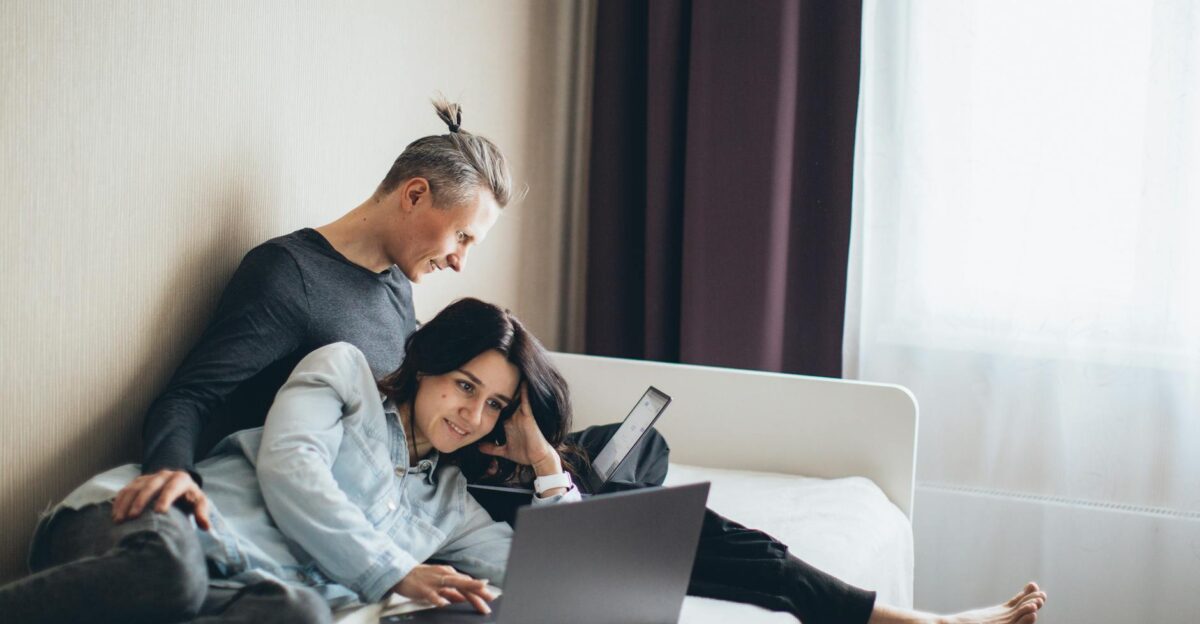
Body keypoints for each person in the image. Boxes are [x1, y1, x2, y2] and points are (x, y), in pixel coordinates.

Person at [12, 97, 1046, 624]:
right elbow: (201, 395)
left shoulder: (392, 293)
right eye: (459, 238)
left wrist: (535, 454)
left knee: (655, 518)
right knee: (628, 520)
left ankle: (876, 614)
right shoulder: (296, 285)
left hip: (428, 485)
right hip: (306, 494)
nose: (459, 260)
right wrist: (178, 464)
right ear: (414, 195)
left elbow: (422, 422)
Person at [0, 299, 582, 622]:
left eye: (495, 405)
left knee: (299, 615)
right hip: (158, 522)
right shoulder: (344, 372)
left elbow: (555, 579)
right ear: (429, 364)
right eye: (465, 385)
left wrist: (546, 464)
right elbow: (291, 468)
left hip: (235, 591)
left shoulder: (450, 505)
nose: (473, 414)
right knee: (170, 573)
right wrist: (395, 572)